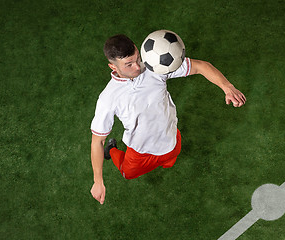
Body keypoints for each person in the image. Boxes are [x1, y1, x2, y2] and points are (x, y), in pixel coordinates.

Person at [90, 34, 246, 204]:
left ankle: (165, 161)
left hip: (171, 141)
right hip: (140, 153)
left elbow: (201, 66)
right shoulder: (108, 98)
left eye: (137, 58)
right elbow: (97, 141)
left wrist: (227, 87)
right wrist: (98, 181)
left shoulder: (154, 65)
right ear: (112, 66)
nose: (137, 67)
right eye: (128, 64)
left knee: (169, 161)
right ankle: (112, 150)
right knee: (127, 173)